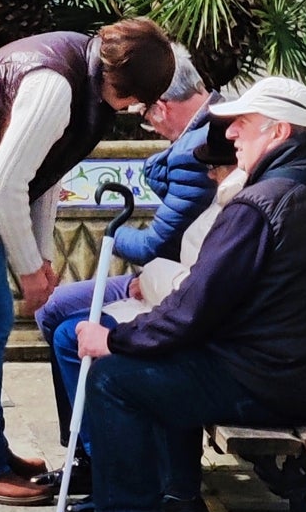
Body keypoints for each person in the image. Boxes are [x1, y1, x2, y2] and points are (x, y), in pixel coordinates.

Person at [66, 77, 306, 512]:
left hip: (270, 380)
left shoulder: (259, 204)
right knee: (156, 354)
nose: (230, 136)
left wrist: (116, 339)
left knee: (114, 379)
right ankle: (176, 501)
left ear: (278, 131)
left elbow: (194, 306)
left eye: (243, 125)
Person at [0, 19, 176, 505]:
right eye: (136, 101)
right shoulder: (54, 86)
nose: (135, 111)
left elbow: (45, 173)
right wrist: (29, 269)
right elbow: (4, 184)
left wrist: (44, 256)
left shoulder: (84, 70)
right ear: (123, 85)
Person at [41, 119, 245, 512]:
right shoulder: (225, 195)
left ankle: (144, 490)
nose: (209, 174)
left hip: (189, 322)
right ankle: (108, 469)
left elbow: (193, 287)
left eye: (216, 167)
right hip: (173, 305)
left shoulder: (240, 205)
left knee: (100, 357)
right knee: (67, 331)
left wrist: (143, 283)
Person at [29, 44, 221, 489]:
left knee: (64, 325)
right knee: (53, 311)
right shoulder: (194, 136)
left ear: (164, 104)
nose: (142, 119)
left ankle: (99, 457)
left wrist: (113, 236)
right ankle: (84, 448)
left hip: (172, 282)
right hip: (170, 275)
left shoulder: (199, 149)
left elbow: (154, 241)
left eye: (145, 109)